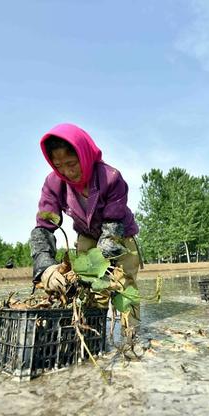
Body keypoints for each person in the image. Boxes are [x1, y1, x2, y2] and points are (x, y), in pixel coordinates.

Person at [29, 123, 141, 331]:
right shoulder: (53, 184)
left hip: (119, 236)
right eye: (58, 165)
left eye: (71, 163)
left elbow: (112, 228)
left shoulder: (111, 178)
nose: (67, 172)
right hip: (87, 236)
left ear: (84, 155)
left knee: (124, 287)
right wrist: (44, 266)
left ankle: (131, 336)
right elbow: (44, 226)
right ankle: (94, 334)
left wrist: (101, 269)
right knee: (89, 291)